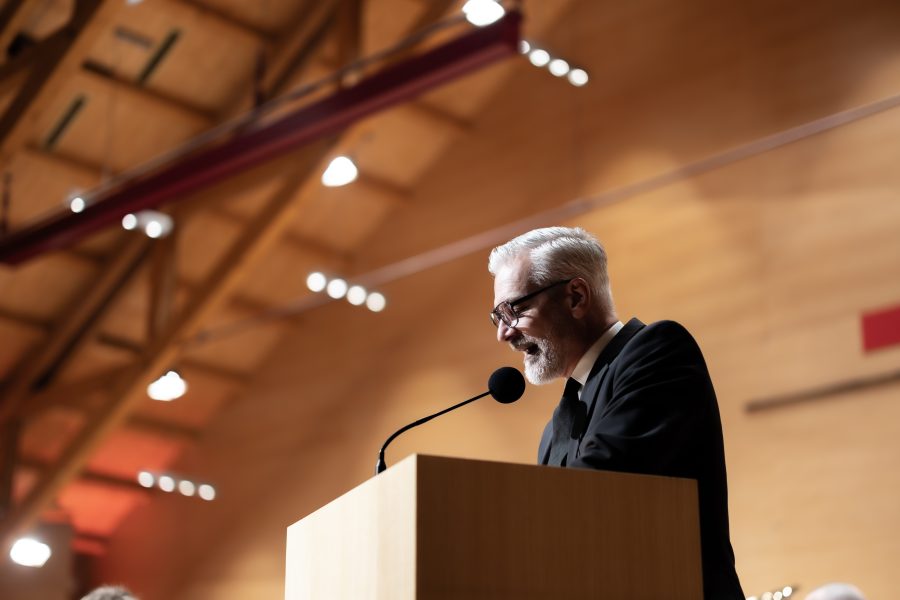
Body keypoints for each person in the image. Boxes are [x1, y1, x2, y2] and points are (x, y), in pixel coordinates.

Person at [488, 226, 743, 599]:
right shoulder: (555, 429)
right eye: (497, 316)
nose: (504, 333)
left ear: (576, 297)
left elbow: (602, 485)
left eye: (515, 309)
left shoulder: (658, 352)